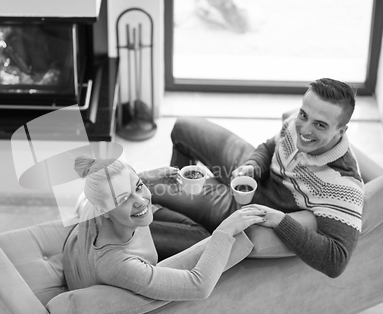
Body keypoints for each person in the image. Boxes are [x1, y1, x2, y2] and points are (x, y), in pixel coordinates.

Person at [153, 78, 364, 278]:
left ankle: (190, 227)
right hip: (252, 175)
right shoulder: (300, 123)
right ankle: (181, 208)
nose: (305, 129)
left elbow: (336, 261)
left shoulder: (343, 186)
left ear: (341, 131)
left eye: (320, 125)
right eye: (303, 115)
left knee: (153, 185)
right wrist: (252, 166)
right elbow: (270, 147)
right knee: (184, 127)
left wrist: (280, 220)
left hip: (252, 206)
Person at [62, 155, 266, 301]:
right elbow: (199, 287)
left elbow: (119, 190)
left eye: (139, 186)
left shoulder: (97, 205)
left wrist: (149, 177)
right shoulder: (117, 265)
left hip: (86, 243)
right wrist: (225, 230)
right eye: (123, 198)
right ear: (103, 210)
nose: (141, 200)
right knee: (201, 235)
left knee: (191, 228)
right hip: (98, 263)